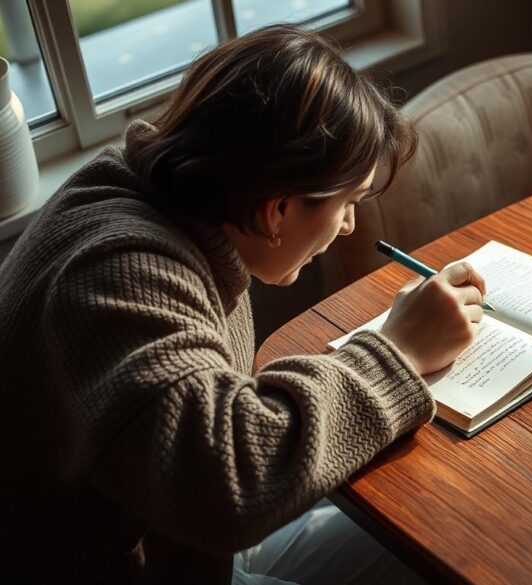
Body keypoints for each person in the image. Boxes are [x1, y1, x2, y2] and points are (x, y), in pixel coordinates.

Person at [0, 25, 486, 584]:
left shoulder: (155, 209)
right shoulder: (117, 273)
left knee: (415, 521)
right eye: (347, 202)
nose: (349, 225)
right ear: (278, 209)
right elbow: (228, 484)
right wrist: (396, 351)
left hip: (172, 548)